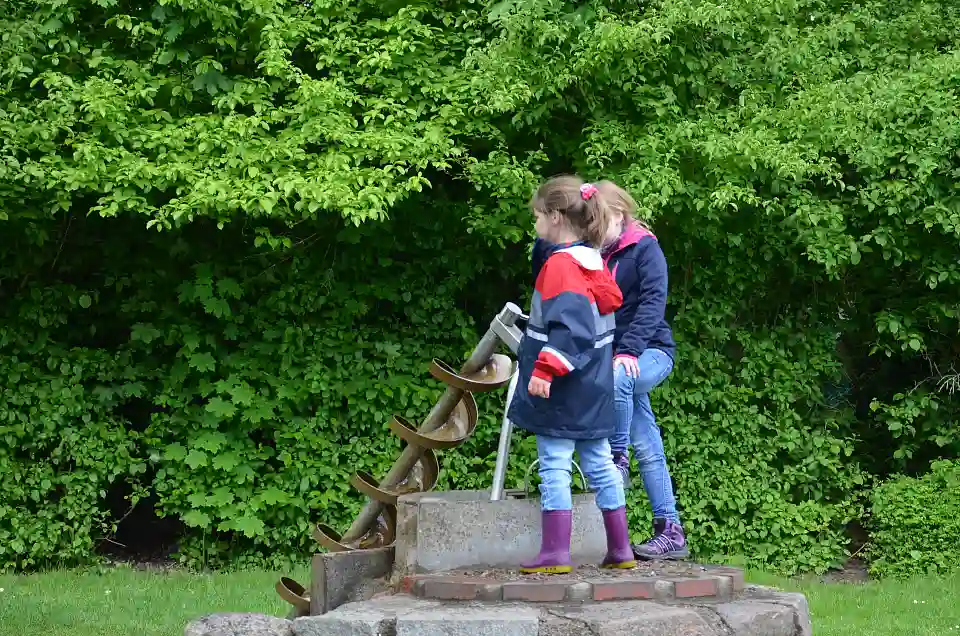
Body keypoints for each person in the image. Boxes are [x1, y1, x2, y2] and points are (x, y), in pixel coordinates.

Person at [509, 175, 636, 574]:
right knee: (599, 463)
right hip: (594, 388)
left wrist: (545, 370)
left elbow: (571, 330)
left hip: (564, 389)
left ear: (556, 217)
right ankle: (621, 549)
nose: (535, 225)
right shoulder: (592, 261)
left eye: (537, 217)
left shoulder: (561, 268)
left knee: (554, 464)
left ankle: (555, 552)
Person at [597, 180, 688, 561]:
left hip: (651, 352)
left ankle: (617, 460)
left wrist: (629, 351)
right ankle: (670, 530)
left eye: (600, 222)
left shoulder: (645, 248)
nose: (595, 232)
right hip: (617, 358)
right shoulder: (597, 254)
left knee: (621, 378)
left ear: (619, 214)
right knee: (649, 445)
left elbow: (654, 304)